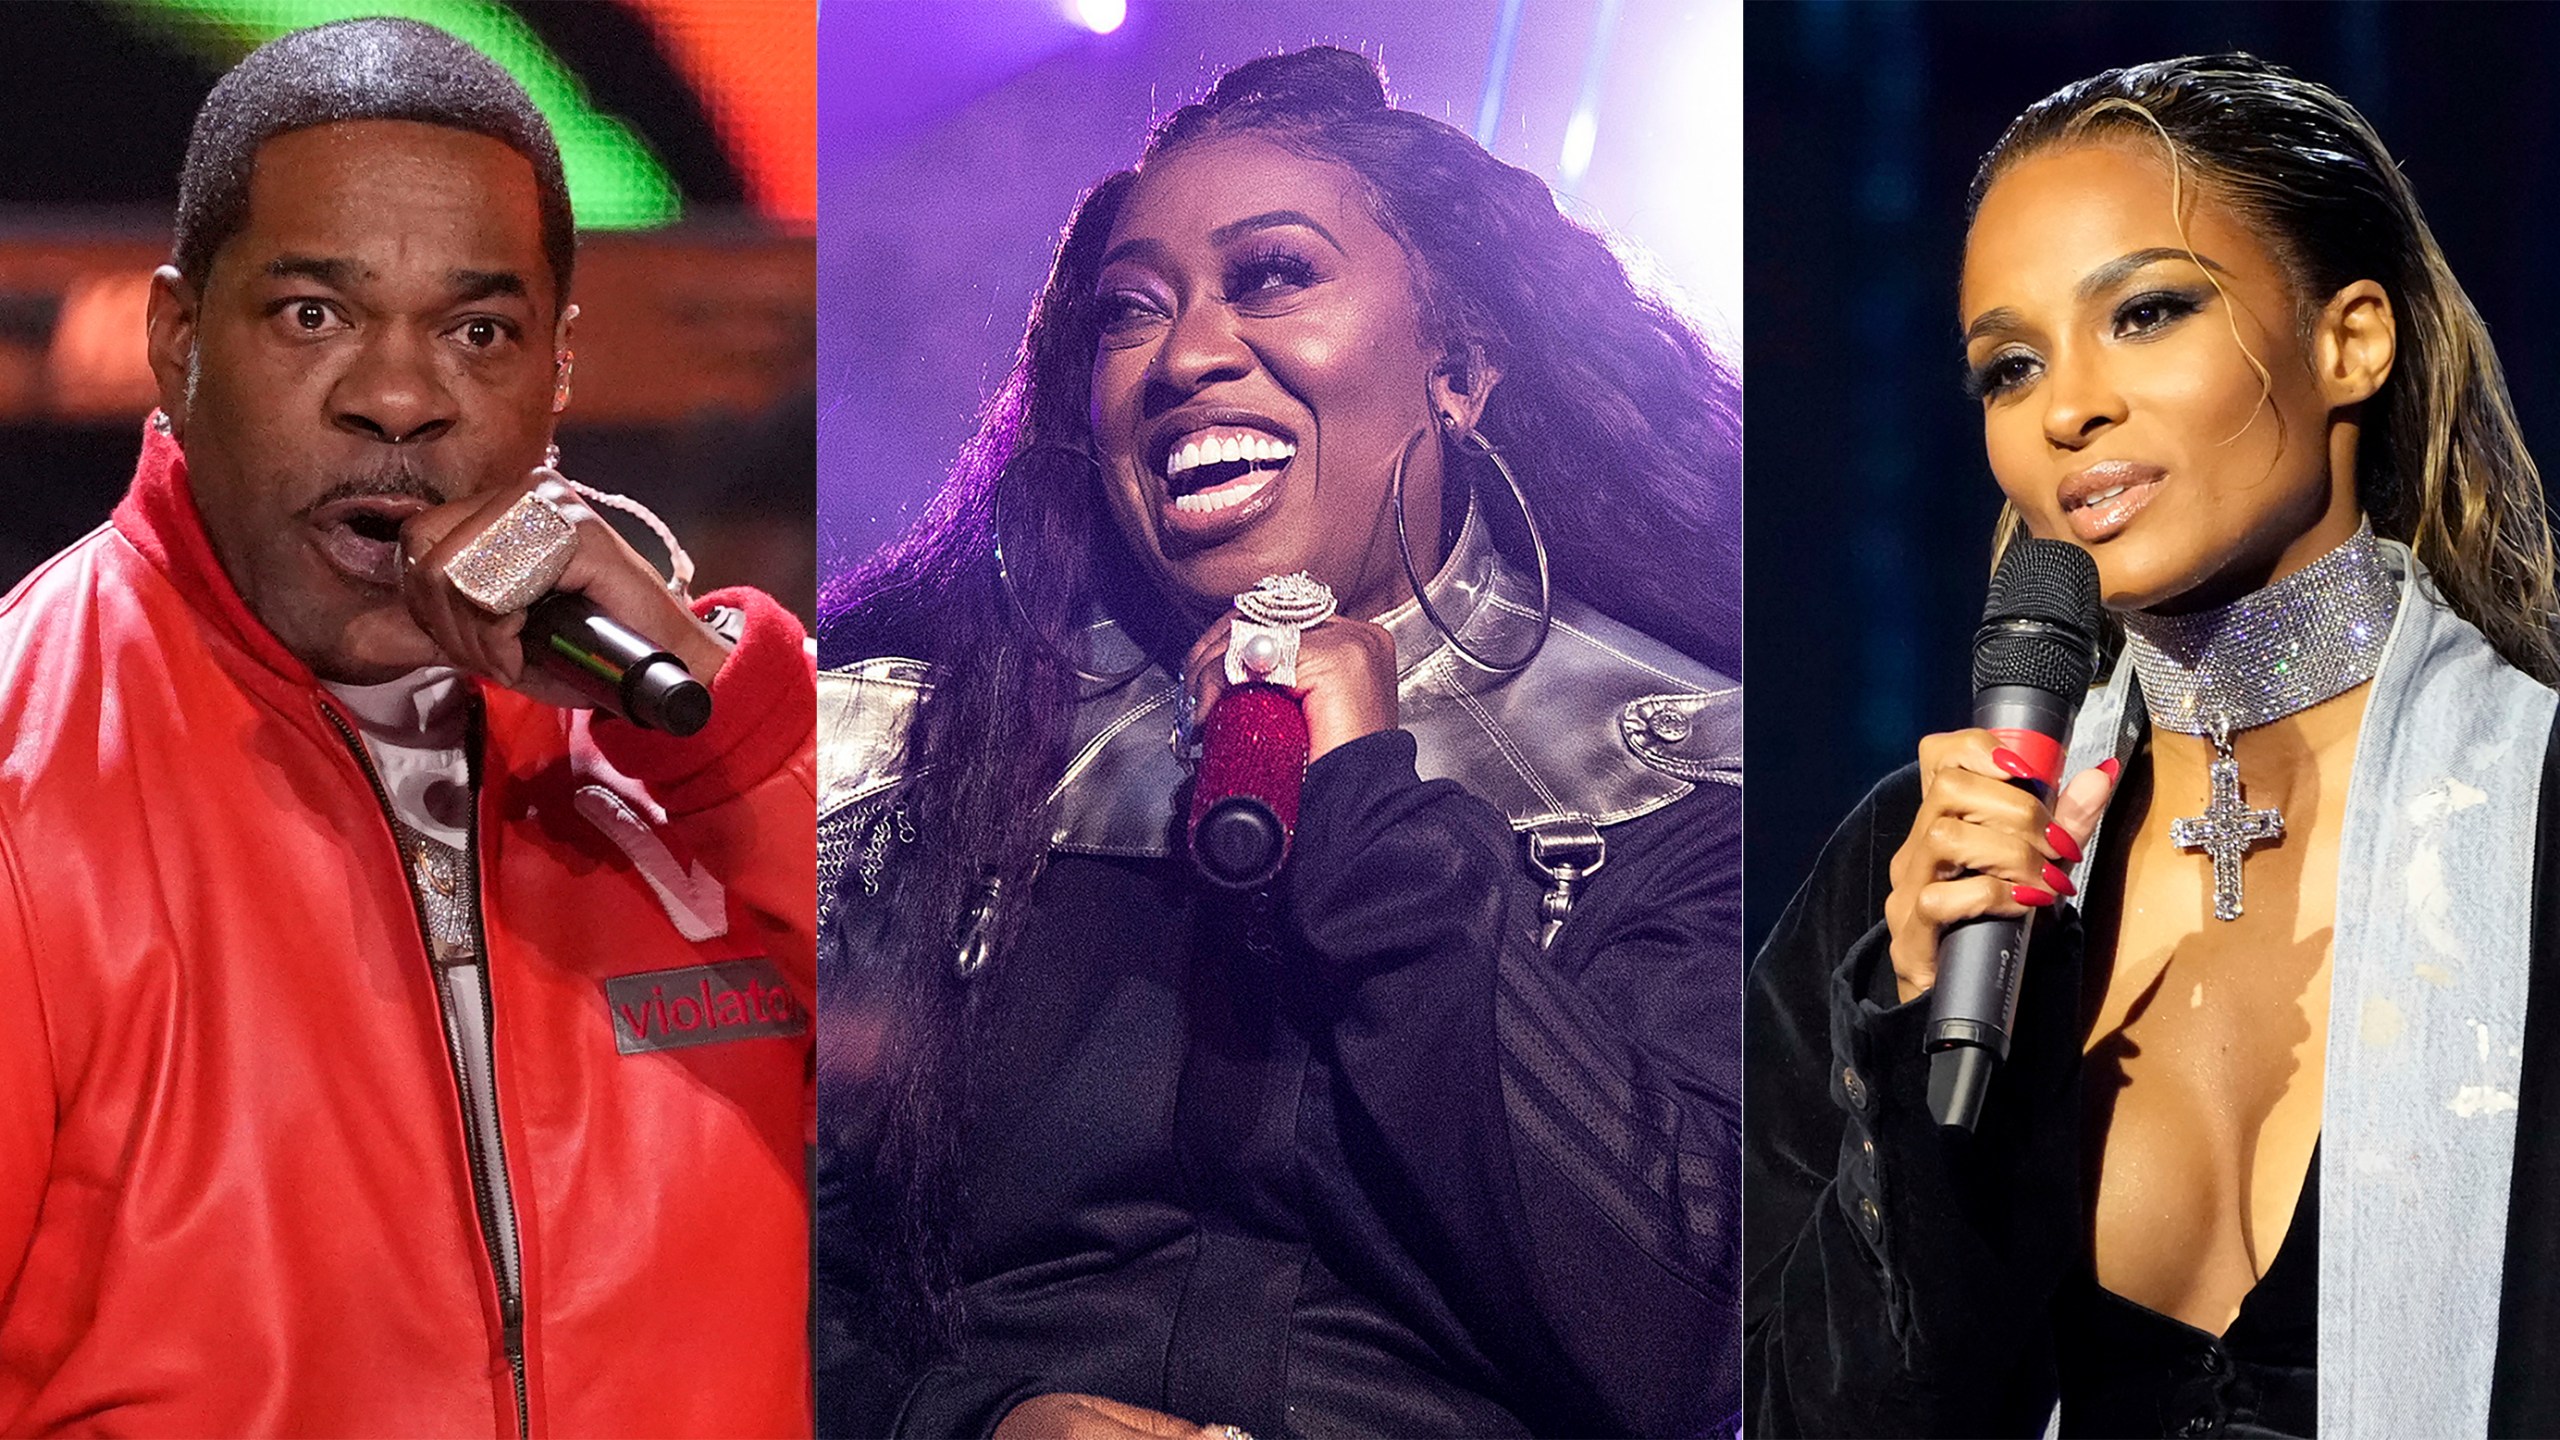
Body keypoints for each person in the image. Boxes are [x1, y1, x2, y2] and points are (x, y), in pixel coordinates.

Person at [817, 46, 1741, 1440]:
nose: (1186, 356)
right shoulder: (909, 760)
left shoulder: (1684, 771)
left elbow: (1687, 1334)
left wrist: (1375, 823)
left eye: (1273, 277)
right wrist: (968, 1425)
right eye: (1131, 312)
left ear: (1461, 369)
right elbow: (749, 1269)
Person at [0, 20, 815, 1435]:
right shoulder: (30, 780)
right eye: (315, 314)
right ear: (178, 340)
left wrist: (713, 726)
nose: (398, 397)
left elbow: (983, 1146)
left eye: (478, 330)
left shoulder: (671, 727)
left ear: (560, 369)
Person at [1745, 54, 2560, 1439]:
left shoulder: (2540, 818)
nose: (2067, 409)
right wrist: (1924, 1077)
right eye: (2011, 366)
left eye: (2148, 311)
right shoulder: (1911, 870)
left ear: (2350, 340)